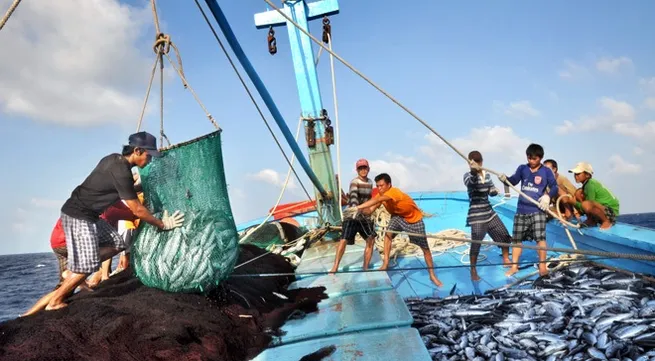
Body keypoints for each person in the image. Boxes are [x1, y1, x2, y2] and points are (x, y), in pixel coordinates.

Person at [45, 131, 185, 311]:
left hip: (90, 216)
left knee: (117, 244)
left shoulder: (114, 160)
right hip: (79, 215)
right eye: (148, 156)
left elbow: (121, 188)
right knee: (87, 267)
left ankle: (76, 268)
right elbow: (137, 209)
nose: (149, 160)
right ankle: (56, 300)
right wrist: (163, 224)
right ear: (137, 150)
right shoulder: (122, 172)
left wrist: (144, 186)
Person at [21, 200, 139, 317]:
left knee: (64, 288)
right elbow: (134, 214)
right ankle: (74, 277)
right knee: (110, 249)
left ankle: (27, 315)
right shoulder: (111, 209)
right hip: (72, 242)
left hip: (58, 242)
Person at [355, 173, 442, 287]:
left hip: (414, 220)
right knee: (388, 235)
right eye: (378, 186)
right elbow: (370, 210)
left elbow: (379, 199)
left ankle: (432, 275)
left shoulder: (393, 192)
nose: (379, 188)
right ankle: (385, 263)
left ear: (389, 185)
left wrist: (358, 207)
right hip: (397, 217)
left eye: (381, 185)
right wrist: (358, 211)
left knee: (425, 249)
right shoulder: (381, 195)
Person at [499, 143, 558, 277]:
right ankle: (515, 267)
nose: (531, 161)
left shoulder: (546, 171)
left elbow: (554, 187)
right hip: (521, 210)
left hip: (537, 210)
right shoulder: (522, 168)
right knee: (517, 240)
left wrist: (547, 197)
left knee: (540, 239)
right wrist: (505, 179)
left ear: (540, 158)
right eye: (529, 158)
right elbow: (513, 181)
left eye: (534, 159)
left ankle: (542, 266)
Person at [465, 151, 511, 281]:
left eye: (479, 161)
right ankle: (473, 270)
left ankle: (506, 258)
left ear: (482, 162)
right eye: (474, 161)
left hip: (489, 212)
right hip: (476, 215)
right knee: (476, 243)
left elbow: (491, 192)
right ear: (469, 162)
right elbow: (470, 184)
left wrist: (495, 191)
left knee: (504, 234)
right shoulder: (467, 176)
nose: (477, 163)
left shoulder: (487, 175)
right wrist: (474, 172)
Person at [330, 159, 377, 273]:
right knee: (344, 240)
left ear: (368, 169)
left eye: (365, 168)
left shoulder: (370, 182)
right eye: (360, 168)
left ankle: (365, 267)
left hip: (364, 217)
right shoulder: (354, 182)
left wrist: (369, 210)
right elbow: (354, 198)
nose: (363, 170)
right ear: (357, 170)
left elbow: (369, 199)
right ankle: (335, 267)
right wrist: (358, 209)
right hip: (353, 215)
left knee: (371, 239)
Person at [567, 162, 620, 230]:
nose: (575, 176)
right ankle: (592, 220)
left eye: (578, 174)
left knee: (586, 204)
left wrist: (574, 203)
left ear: (587, 175)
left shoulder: (590, 184)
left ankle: (607, 221)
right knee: (578, 193)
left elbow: (588, 206)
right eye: (575, 174)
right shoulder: (586, 185)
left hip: (611, 212)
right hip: (604, 209)